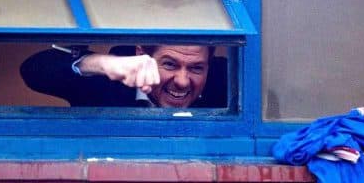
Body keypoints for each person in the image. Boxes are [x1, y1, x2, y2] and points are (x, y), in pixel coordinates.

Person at [20, 45, 227, 108]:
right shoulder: (105, 86)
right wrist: (102, 64)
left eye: (196, 68)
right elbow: (34, 70)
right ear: (141, 54)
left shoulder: (223, 81)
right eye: (169, 64)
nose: (182, 81)